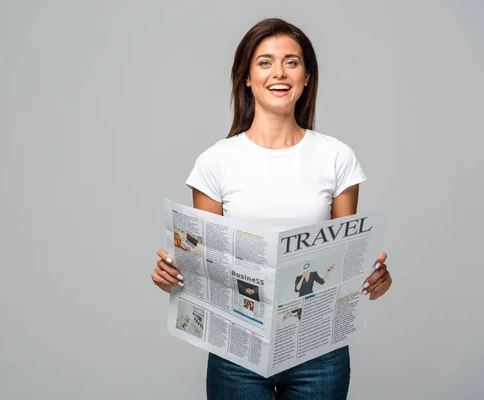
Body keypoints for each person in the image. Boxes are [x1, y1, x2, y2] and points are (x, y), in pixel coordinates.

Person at [151, 18, 393, 400]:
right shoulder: (216, 162)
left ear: (307, 76)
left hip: (320, 349)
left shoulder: (336, 157)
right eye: (264, 62)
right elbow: (205, 261)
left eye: (291, 62)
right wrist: (174, 274)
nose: (278, 73)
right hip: (238, 351)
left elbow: (349, 257)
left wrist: (375, 277)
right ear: (246, 77)